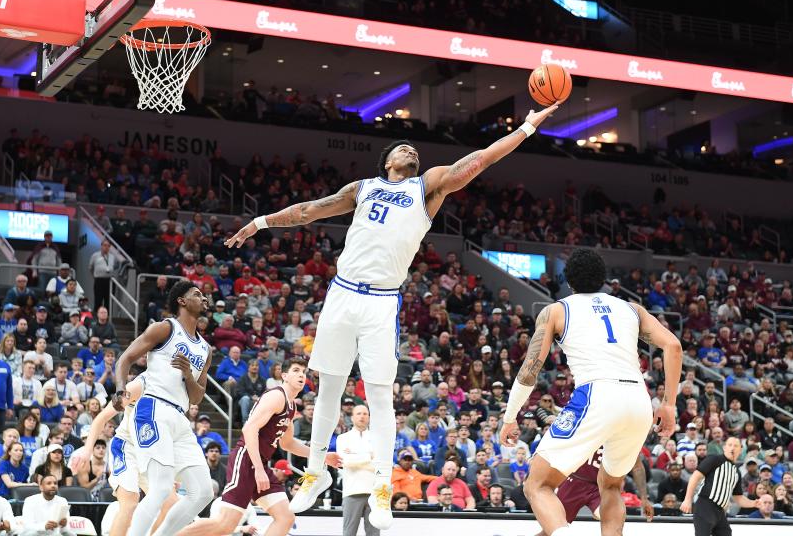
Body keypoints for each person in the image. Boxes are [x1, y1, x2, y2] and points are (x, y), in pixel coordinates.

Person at [226, 103, 562, 529]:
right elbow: (310, 209)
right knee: (328, 388)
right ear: (387, 161)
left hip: (381, 301)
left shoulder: (428, 187)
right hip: (343, 293)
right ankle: (314, 472)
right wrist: (260, 222)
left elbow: (476, 162)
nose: (411, 151)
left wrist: (528, 127)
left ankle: (382, 487)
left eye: (414, 149)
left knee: (380, 396)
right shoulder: (363, 187)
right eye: (403, 147)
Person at [499, 249, 682, 536]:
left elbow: (530, 370)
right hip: (639, 400)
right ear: (603, 280)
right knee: (610, 485)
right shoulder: (632, 309)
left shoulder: (556, 310)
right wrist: (669, 404)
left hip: (597, 394)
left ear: (568, 281)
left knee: (537, 484)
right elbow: (673, 346)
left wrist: (510, 417)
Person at [174, 358, 340, 536]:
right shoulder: (276, 396)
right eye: (296, 370)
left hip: (260, 462)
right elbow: (249, 428)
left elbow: (287, 443)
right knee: (225, 524)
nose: (301, 375)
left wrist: (322, 456)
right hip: (246, 460)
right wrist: (259, 470)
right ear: (284, 375)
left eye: (304, 372)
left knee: (286, 518)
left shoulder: (291, 406)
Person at [115, 281, 214, 536]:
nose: (204, 299)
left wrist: (188, 375)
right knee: (160, 489)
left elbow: (196, 398)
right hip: (154, 407)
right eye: (197, 294)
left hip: (180, 417)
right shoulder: (165, 328)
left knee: (203, 492)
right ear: (181, 301)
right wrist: (119, 388)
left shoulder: (205, 349)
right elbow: (125, 358)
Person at [68, 375, 180, 536]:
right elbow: (101, 418)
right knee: (130, 503)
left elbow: (171, 435)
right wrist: (87, 449)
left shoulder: (177, 393)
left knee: (171, 505)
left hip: (151, 454)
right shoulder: (138, 386)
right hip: (126, 448)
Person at [536, 449, 653, 534]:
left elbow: (637, 467)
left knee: (614, 526)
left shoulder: (627, 433)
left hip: (603, 487)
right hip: (574, 483)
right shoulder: (592, 420)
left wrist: (644, 497)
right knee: (550, 531)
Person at [680, 437, 762, 536]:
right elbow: (695, 477)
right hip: (705, 505)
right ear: (724, 448)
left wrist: (753, 503)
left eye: (736, 446)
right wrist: (688, 499)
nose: (732, 448)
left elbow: (738, 498)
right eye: (730, 445)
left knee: (726, 533)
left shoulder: (736, 471)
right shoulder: (714, 459)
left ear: (740, 450)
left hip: (720, 511)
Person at [337, 405, 378, 536]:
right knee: (349, 533)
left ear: (369, 417)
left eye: (365, 414)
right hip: (352, 490)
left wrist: (356, 457)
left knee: (374, 533)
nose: (362, 416)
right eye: (359, 413)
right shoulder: (343, 438)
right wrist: (368, 456)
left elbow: (379, 463)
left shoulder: (378, 438)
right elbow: (346, 462)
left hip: (374, 491)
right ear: (352, 417)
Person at [89, 240, 119, 311]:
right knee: (98, 301)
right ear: (101, 246)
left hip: (109, 281)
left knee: (108, 302)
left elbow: (115, 266)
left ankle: (107, 319)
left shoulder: (112, 257)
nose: (106, 247)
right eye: (105, 245)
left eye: (108, 246)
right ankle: (96, 319)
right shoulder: (95, 255)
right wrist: (95, 276)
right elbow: (90, 268)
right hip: (99, 280)